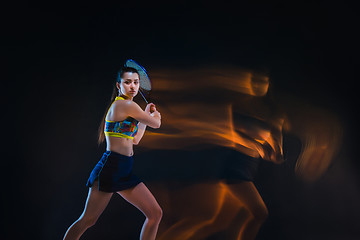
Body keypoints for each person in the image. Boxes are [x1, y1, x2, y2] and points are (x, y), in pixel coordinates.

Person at [63, 65, 163, 240]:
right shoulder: (124, 105)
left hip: (125, 169)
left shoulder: (129, 109)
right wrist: (155, 118)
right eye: (128, 82)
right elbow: (157, 125)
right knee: (88, 220)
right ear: (119, 85)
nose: (133, 86)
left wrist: (146, 117)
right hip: (111, 168)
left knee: (155, 214)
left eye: (136, 82)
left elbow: (136, 139)